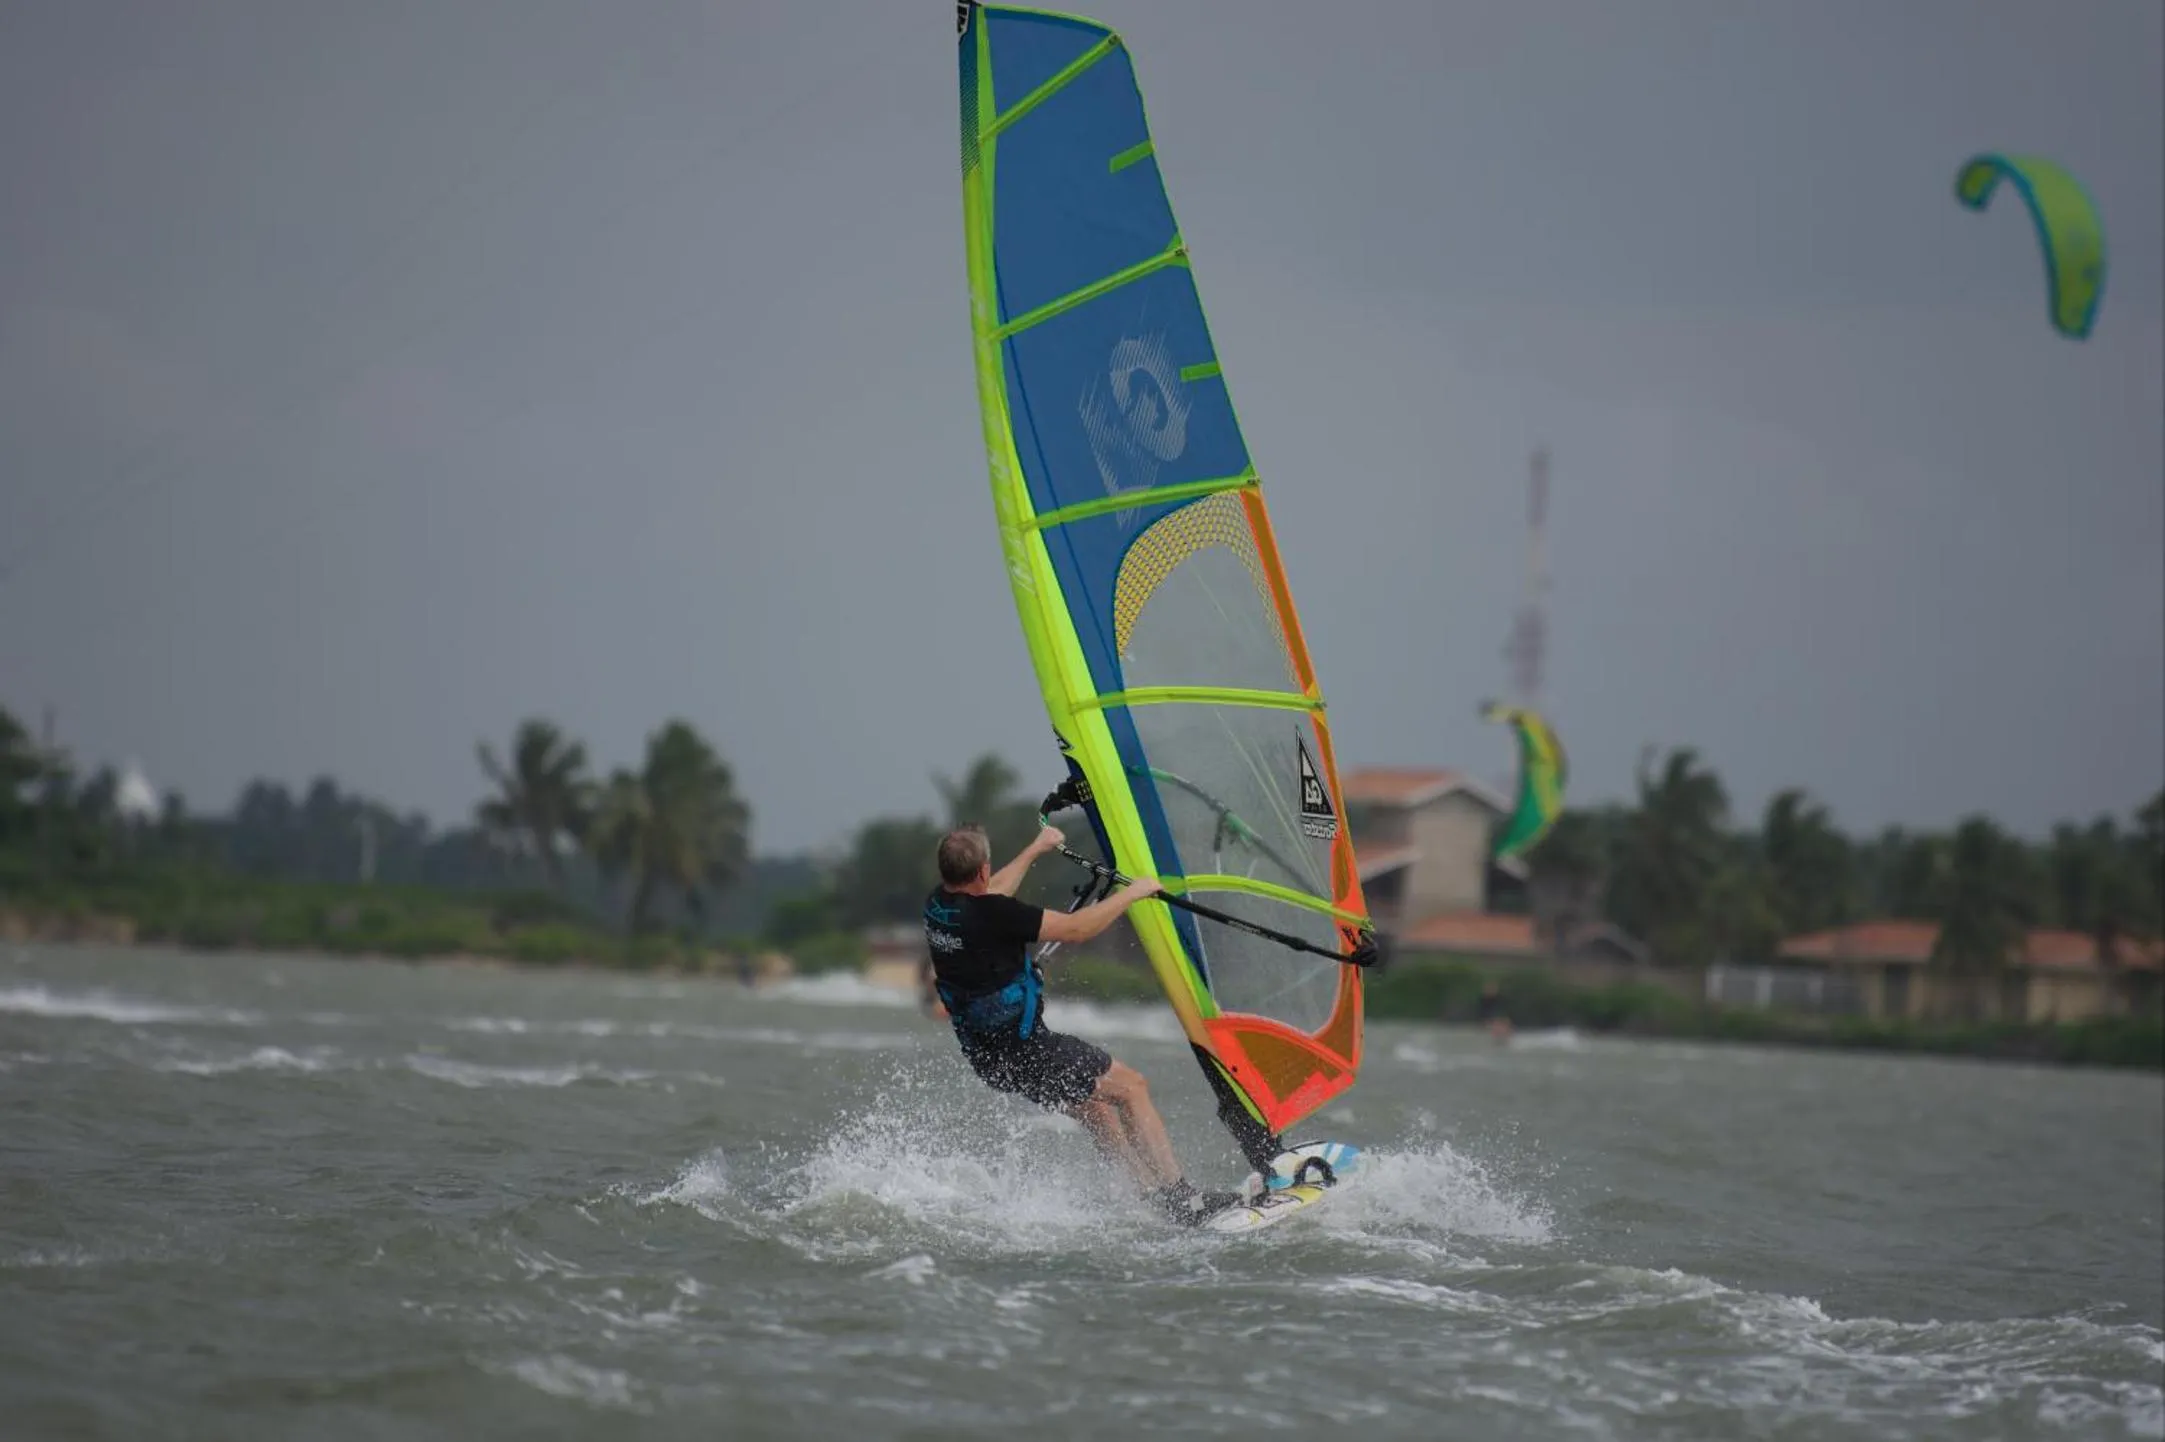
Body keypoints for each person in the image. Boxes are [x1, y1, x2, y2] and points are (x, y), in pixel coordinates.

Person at [922, 822, 1245, 1226]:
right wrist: (1133, 892)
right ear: (983, 870)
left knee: (1097, 1110)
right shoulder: (997, 914)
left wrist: (1036, 847)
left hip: (989, 1059)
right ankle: (1183, 1199)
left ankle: (1144, 1195)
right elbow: (1077, 929)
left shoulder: (938, 908)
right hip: (1029, 1051)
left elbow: (992, 891)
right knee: (1132, 1087)